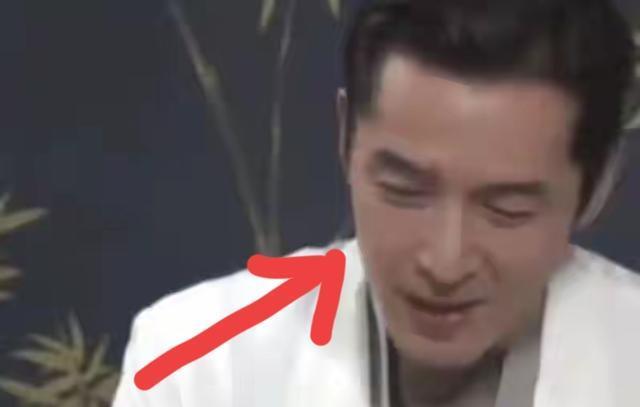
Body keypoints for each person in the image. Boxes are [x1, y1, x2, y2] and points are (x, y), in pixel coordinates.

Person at [112, 0, 640, 406]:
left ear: (596, 186)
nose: (444, 263)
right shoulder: (198, 363)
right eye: (404, 191)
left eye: (506, 211)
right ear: (346, 139)